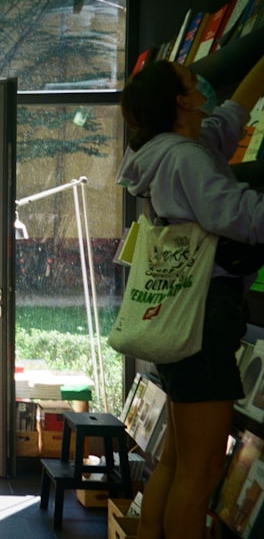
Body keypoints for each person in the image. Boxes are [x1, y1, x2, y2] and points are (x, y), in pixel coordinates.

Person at [117, 53, 264, 539]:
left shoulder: (169, 152)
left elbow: (229, 118)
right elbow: (241, 216)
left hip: (178, 319)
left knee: (176, 465)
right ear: (182, 100)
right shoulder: (188, 158)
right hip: (205, 319)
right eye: (189, 79)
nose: (201, 81)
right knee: (198, 479)